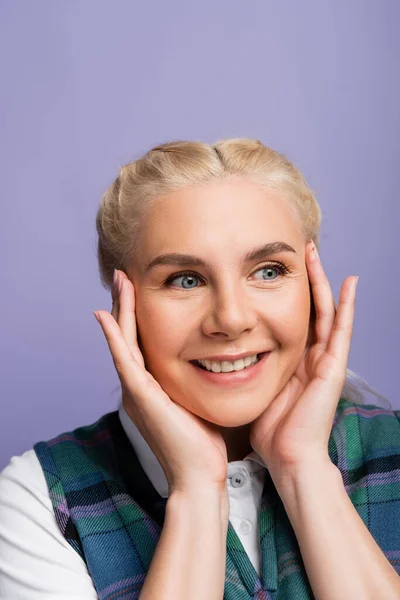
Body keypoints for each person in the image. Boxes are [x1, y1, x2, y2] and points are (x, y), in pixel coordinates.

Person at [1, 138, 399, 600]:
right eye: (185, 280)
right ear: (123, 304)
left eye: (268, 271)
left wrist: (303, 468)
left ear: (312, 286)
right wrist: (195, 491)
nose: (231, 319)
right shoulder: (36, 502)